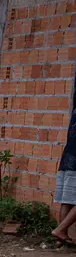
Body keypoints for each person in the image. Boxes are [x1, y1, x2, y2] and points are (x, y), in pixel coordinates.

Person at [54, 103, 76, 244]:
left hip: (67, 160)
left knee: (66, 200)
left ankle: (61, 239)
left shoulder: (75, 111)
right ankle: (60, 230)